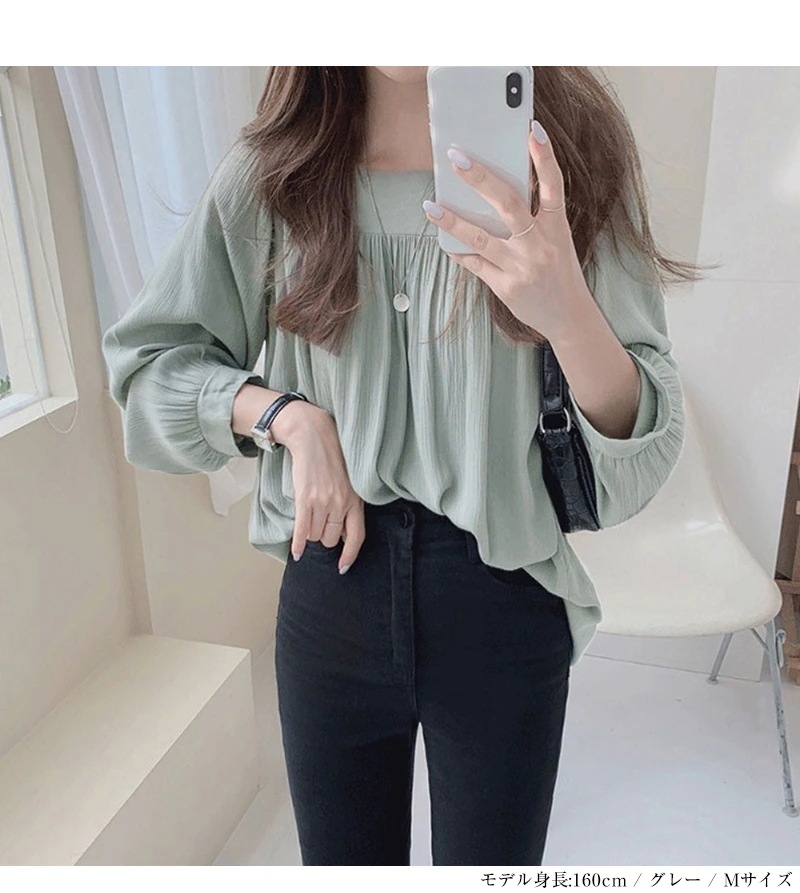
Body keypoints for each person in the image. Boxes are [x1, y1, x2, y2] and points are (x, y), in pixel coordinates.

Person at [102, 66, 694, 866]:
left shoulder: (568, 156)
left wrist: (567, 312)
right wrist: (287, 418)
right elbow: (150, 370)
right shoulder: (278, 170)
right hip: (330, 592)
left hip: (503, 601)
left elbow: (642, 446)